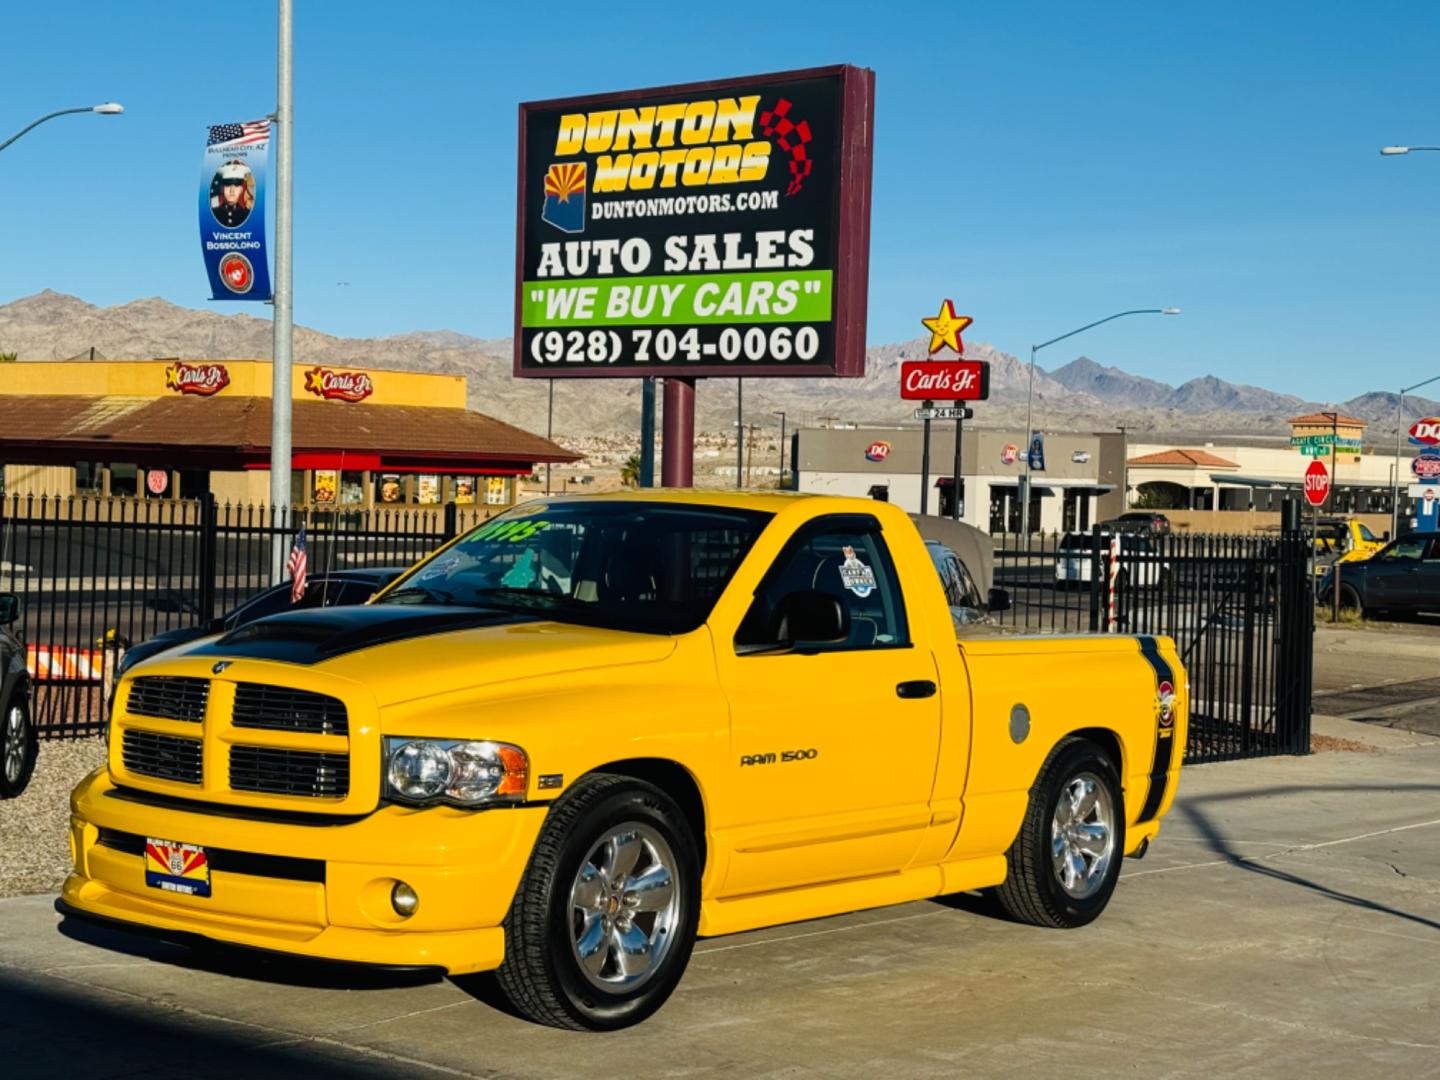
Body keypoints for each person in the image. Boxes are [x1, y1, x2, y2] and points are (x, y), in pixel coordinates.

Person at [212, 161, 252, 228]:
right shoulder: (213, 214)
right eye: (228, 185)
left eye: (236, 185)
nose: (232, 190)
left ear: (241, 190)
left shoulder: (248, 215)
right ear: (222, 189)